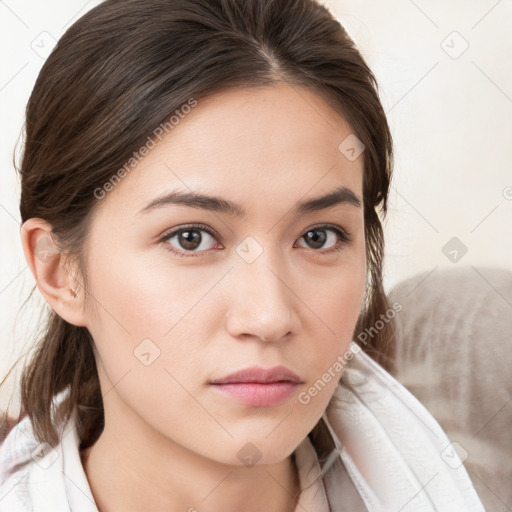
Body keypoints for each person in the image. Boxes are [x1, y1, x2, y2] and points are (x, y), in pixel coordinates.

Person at [0, 0, 485, 510]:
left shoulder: (474, 445)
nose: (269, 316)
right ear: (60, 271)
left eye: (318, 236)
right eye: (191, 238)